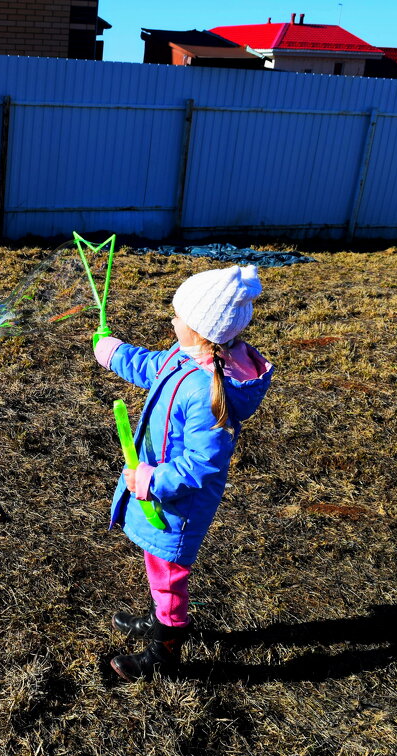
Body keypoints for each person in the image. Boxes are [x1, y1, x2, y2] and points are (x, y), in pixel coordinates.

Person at [92, 264, 273, 680]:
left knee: (169, 574)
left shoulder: (207, 392)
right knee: (157, 568)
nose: (171, 319)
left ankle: (165, 650)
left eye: (177, 314)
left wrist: (152, 480)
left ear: (199, 328)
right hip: (161, 492)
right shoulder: (186, 356)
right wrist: (114, 352)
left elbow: (203, 463)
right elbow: (152, 367)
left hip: (177, 504)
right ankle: (159, 619)